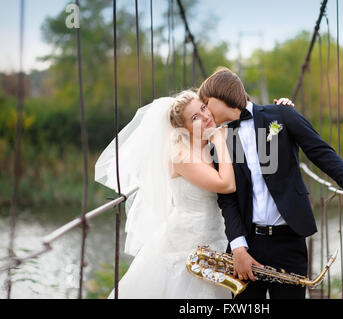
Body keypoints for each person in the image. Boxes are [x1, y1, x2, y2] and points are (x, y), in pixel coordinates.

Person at [94, 91, 294, 298]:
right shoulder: (180, 155)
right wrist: (218, 140)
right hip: (186, 247)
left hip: (218, 242)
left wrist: (280, 111)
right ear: (184, 129)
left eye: (203, 108)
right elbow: (225, 185)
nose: (205, 117)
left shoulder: (212, 140)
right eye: (195, 118)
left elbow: (252, 124)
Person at [197, 67, 343, 299]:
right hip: (247, 244)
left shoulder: (282, 115)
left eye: (205, 102)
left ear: (221, 96)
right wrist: (238, 248)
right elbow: (227, 198)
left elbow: (320, 152)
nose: (205, 112)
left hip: (290, 240)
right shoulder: (219, 140)